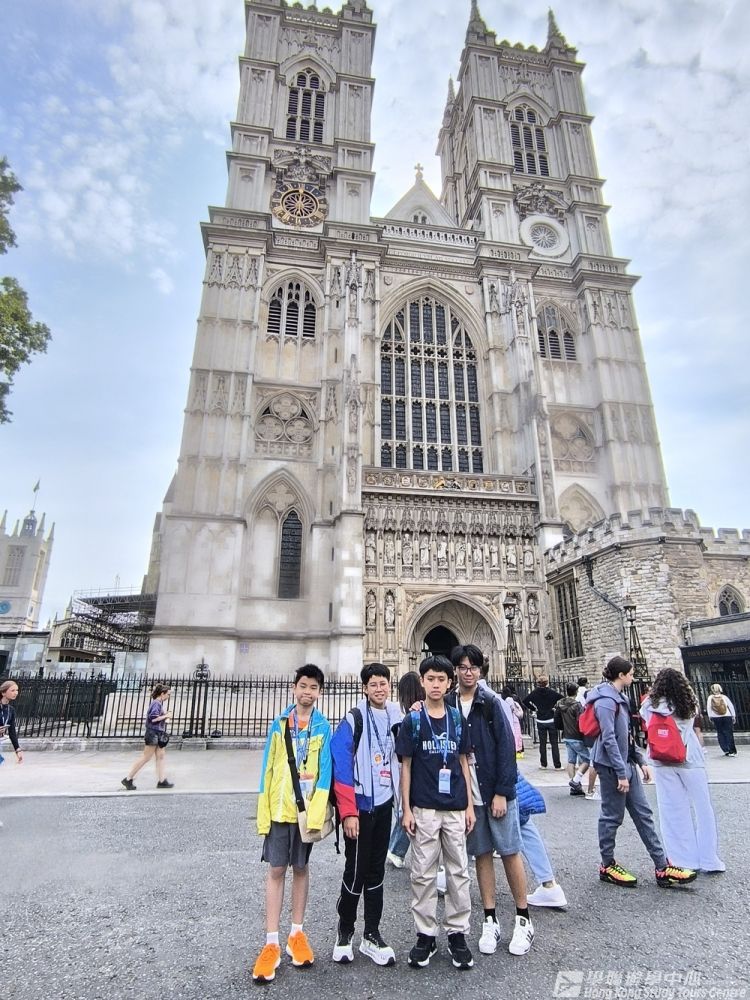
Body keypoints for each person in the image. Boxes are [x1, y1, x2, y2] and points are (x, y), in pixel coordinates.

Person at [449, 645, 534, 957]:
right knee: (481, 853)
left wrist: (501, 791)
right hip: (468, 795)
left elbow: (506, 748)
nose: (468, 672)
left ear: (480, 670)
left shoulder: (491, 702)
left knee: (509, 851)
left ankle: (523, 918)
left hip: (494, 790)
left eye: (473, 667)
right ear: (455, 671)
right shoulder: (448, 703)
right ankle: (490, 918)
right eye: (462, 667)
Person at [252, 664, 332, 984]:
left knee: (300, 868)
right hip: (278, 809)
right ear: (294, 688)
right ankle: (271, 941)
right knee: (276, 870)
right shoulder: (279, 725)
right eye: (303, 686)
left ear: (319, 692)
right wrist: (263, 810)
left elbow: (324, 772)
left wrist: (316, 814)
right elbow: (267, 770)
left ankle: (296, 934)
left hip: (304, 811)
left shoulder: (323, 727)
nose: (307, 692)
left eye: (313, 687)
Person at [588, 656, 697, 889]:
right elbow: (608, 739)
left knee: (643, 814)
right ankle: (607, 865)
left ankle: (662, 866)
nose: (633, 677)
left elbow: (626, 734)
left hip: (626, 763)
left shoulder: (621, 698)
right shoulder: (605, 701)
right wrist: (621, 773)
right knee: (612, 816)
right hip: (611, 766)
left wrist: (640, 760)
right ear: (621, 675)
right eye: (631, 673)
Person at [396, 655, 475, 970]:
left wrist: (469, 805)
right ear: (422, 682)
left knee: (459, 873)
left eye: (441, 679)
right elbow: (406, 766)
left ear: (449, 682)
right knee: (422, 874)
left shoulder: (457, 719)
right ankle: (425, 934)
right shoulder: (413, 721)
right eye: (430, 679)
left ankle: (457, 933)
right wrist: (406, 809)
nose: (436, 684)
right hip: (425, 808)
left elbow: (464, 762)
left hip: (455, 807)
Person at [331, 662, 402, 966]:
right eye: (373, 684)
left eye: (383, 683)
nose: (379, 689)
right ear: (364, 688)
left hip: (384, 804)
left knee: (376, 872)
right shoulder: (355, 718)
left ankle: (371, 934)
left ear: (390, 685)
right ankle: (345, 932)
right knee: (356, 871)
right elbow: (341, 764)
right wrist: (348, 812)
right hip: (360, 807)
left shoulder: (396, 716)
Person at [640, 668, 724, 874]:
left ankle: (682, 859)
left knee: (672, 811)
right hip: (689, 758)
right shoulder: (688, 702)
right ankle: (709, 859)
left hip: (662, 760)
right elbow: (693, 718)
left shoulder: (649, 705)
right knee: (703, 809)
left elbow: (645, 719)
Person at [387, 671, 424, 868]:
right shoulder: (412, 716)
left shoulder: (406, 716)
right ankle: (396, 850)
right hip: (413, 770)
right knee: (409, 810)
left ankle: (395, 850)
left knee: (406, 810)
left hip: (403, 768)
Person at [121, 683, 174, 791]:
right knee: (146, 757)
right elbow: (153, 719)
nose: (169, 696)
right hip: (153, 733)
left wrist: (165, 717)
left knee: (160, 756)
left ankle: (162, 781)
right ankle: (128, 779)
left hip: (158, 733)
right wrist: (166, 716)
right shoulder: (156, 703)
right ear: (162, 693)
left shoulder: (158, 703)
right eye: (168, 694)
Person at [555, 682, 596, 798]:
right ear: (576, 692)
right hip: (576, 735)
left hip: (566, 735)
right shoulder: (577, 706)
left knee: (571, 760)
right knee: (587, 759)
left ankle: (574, 787)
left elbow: (557, 719)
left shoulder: (560, 703)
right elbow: (581, 720)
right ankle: (576, 780)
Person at [523, 676, 563, 769]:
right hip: (551, 719)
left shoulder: (535, 693)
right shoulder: (552, 692)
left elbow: (525, 701)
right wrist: (555, 708)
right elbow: (562, 698)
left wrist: (534, 708)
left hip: (540, 720)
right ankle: (557, 765)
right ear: (547, 683)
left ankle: (543, 764)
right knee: (554, 743)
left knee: (542, 743)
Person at [706, 684, 737, 757]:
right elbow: (730, 706)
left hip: (716, 717)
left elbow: (709, 707)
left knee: (720, 733)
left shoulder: (710, 698)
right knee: (729, 733)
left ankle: (725, 749)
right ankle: (732, 751)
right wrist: (733, 715)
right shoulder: (724, 697)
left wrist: (710, 716)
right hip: (727, 716)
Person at [501, 685, 524, 759]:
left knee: (513, 735)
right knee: (517, 735)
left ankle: (515, 750)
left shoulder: (507, 700)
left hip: (512, 719)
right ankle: (519, 750)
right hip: (515, 719)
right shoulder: (515, 698)